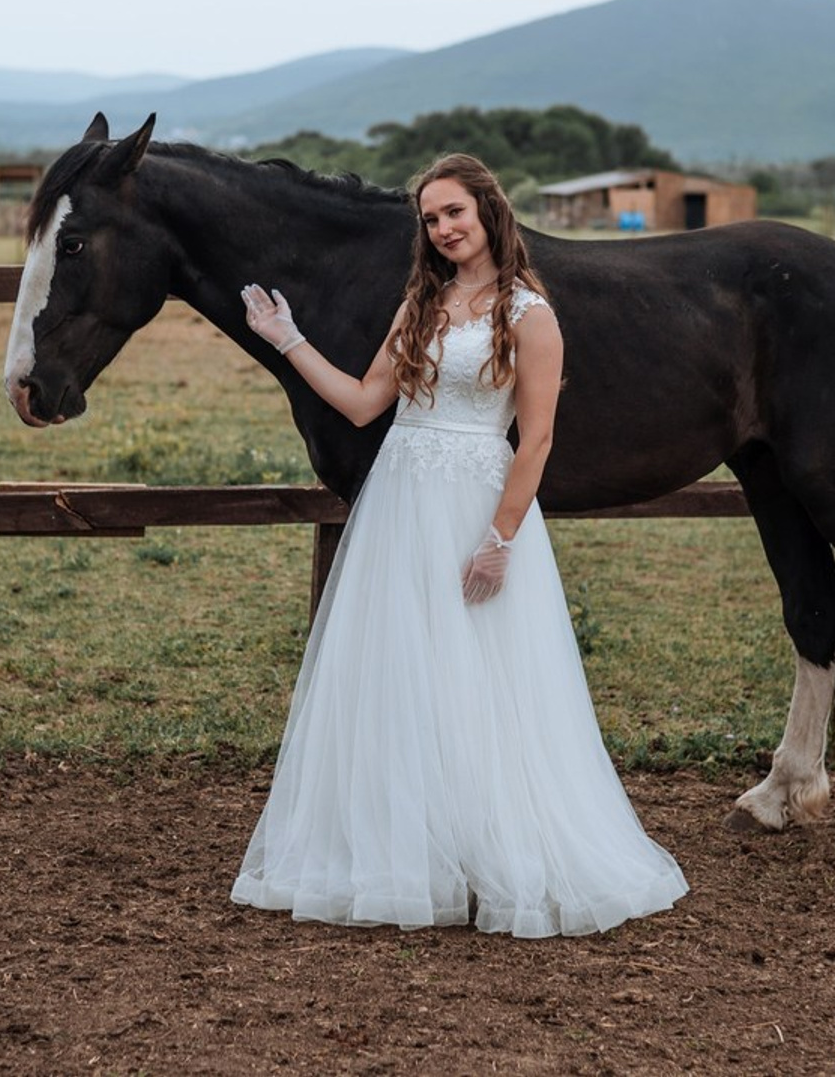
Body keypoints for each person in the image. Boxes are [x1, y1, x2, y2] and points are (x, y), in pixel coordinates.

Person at [231, 153, 687, 938]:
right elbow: (365, 403)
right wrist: (288, 339)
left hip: (476, 501)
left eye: (454, 214)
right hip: (402, 504)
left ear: (488, 214)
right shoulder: (423, 305)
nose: (443, 230)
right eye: (431, 219)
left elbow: (537, 437)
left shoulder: (529, 313)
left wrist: (500, 537)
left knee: (484, 678)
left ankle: (491, 853)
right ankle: (410, 852)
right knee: (405, 672)